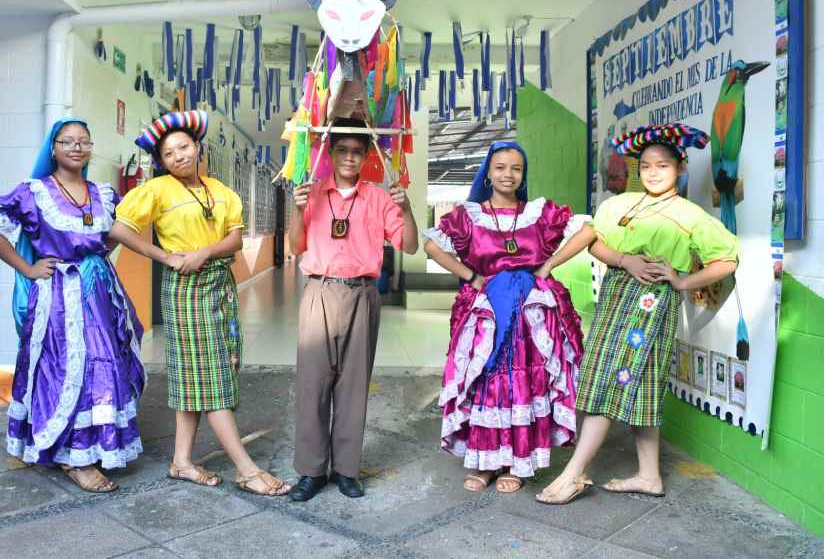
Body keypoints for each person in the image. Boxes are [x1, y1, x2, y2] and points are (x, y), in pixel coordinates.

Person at [537, 124, 739, 504]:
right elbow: (592, 239)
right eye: (645, 165)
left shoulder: (689, 215)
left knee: (611, 381)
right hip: (615, 295)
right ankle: (649, 477)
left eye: (662, 165)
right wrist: (618, 261)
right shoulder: (618, 205)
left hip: (651, 305)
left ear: (680, 168)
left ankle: (574, 473)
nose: (652, 172)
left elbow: (727, 260)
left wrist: (682, 282)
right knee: (639, 383)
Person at [109, 110, 291, 496]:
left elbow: (235, 239)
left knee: (199, 373)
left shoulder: (221, 191)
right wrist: (166, 257)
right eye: (169, 153)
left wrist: (204, 252)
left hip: (218, 284)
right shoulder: (157, 191)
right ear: (162, 162)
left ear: (197, 147)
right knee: (210, 375)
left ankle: (181, 461)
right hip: (185, 290)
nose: (178, 156)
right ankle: (247, 469)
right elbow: (119, 228)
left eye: (183, 147)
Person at [0, 118, 146, 493]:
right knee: (66, 366)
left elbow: (111, 234)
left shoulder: (102, 193)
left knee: (104, 361)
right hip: (57, 296)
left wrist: (95, 260)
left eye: (84, 142)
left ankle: (94, 445)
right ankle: (74, 457)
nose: (76, 147)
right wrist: (28, 268)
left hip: (100, 293)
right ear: (52, 148)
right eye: (67, 141)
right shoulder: (33, 192)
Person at [423, 141, 587, 493]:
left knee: (522, 385)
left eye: (516, 168)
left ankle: (515, 462)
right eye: (500, 167)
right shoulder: (470, 217)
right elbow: (432, 246)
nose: (508, 174)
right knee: (486, 381)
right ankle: (485, 463)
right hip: (488, 313)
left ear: (523, 174)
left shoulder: (539, 214)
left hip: (529, 317)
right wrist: (472, 277)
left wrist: (548, 266)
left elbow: (587, 231)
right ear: (488, 172)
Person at [288, 117, 419, 502]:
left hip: (362, 294)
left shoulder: (378, 198)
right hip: (319, 292)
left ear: (365, 157)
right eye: (342, 150)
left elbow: (409, 245)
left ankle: (346, 469)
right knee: (313, 385)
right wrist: (298, 211)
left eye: (356, 152)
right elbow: (297, 247)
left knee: (353, 385)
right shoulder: (310, 193)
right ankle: (311, 471)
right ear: (330, 154)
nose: (349, 157)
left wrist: (407, 209)